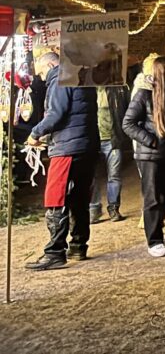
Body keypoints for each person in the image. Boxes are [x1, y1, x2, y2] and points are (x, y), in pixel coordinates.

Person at [24, 52, 100, 271]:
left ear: (50, 64)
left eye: (41, 71)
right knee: (79, 197)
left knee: (56, 198)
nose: (41, 77)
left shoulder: (60, 78)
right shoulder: (83, 77)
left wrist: (35, 134)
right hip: (87, 145)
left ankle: (55, 252)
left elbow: (56, 114)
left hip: (67, 148)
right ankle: (78, 245)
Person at [122, 57, 165, 258]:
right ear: (159, 71)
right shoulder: (144, 94)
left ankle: (156, 223)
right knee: (153, 197)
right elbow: (128, 123)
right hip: (150, 155)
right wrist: (150, 140)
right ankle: (154, 240)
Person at [89, 83, 130, 224]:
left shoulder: (118, 89)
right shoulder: (86, 89)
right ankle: (94, 209)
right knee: (91, 177)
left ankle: (113, 207)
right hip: (92, 140)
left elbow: (126, 110)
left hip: (113, 139)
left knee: (114, 176)